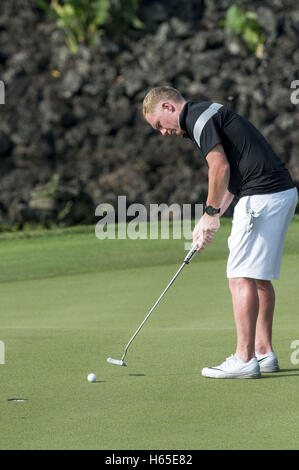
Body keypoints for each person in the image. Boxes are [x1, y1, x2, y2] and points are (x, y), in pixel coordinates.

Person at [143, 85, 298, 379]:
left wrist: (210, 214)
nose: (162, 133)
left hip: (261, 197)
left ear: (167, 107)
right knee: (258, 276)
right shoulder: (206, 112)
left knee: (239, 276)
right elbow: (230, 179)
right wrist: (209, 220)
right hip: (279, 194)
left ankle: (244, 358)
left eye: (158, 125)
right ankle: (263, 352)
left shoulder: (198, 120)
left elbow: (218, 167)